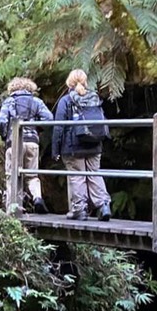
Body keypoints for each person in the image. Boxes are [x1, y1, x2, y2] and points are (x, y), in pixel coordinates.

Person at [51, 69, 112, 221]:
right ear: (85, 81)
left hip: (73, 146)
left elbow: (59, 126)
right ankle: (103, 205)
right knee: (94, 173)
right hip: (94, 144)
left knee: (77, 176)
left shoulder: (66, 100)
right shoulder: (94, 97)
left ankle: (80, 209)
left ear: (68, 83)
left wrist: (55, 150)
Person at [0, 77, 53, 213]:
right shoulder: (36, 101)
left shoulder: (9, 101)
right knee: (32, 175)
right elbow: (49, 118)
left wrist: (5, 136)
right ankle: (37, 197)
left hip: (14, 142)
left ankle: (12, 208)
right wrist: (37, 128)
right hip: (32, 141)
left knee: (12, 176)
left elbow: (1, 121)